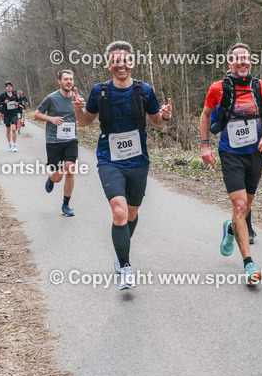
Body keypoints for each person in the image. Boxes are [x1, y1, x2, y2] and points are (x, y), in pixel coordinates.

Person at [72, 41, 172, 290]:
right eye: (115, 61)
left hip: (138, 160)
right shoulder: (100, 91)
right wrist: (77, 110)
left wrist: (166, 115)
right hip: (109, 159)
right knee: (119, 211)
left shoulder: (144, 90)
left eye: (125, 60)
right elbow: (85, 123)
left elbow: (158, 122)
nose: (121, 65)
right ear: (109, 64)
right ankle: (126, 268)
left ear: (132, 63)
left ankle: (120, 252)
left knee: (132, 213)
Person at [200, 43, 262, 285]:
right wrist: (204, 145)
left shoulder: (260, 87)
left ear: (250, 62)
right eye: (237, 59)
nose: (242, 62)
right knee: (241, 206)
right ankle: (249, 265)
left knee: (245, 208)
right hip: (230, 153)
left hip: (255, 152)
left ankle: (230, 228)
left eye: (246, 59)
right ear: (230, 64)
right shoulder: (217, 88)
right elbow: (204, 115)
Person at [34, 70, 80, 216]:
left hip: (70, 140)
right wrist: (51, 119)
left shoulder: (77, 98)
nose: (69, 82)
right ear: (59, 81)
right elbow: (36, 114)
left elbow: (83, 116)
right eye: (65, 79)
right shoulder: (51, 98)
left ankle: (66, 205)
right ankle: (51, 178)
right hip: (53, 141)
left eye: (71, 79)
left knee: (70, 169)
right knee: (58, 176)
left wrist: (82, 120)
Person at [0, 82, 22, 151]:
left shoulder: (15, 95)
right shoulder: (3, 95)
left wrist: (17, 103)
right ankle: (9, 144)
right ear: (6, 88)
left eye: (10, 86)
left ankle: (14, 144)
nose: (9, 88)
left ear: (12, 87)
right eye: (7, 87)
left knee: (13, 129)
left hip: (14, 114)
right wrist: (3, 102)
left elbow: (19, 102)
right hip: (6, 114)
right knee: (8, 129)